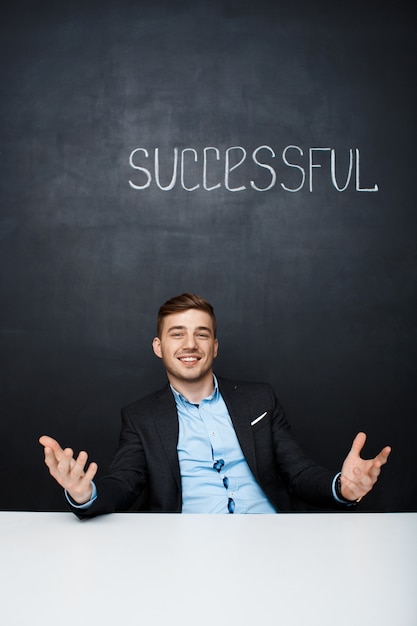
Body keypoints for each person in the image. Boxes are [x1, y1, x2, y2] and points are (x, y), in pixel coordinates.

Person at [39, 293, 391, 516]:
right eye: (177, 333)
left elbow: (298, 473)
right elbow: (124, 484)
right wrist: (86, 494)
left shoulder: (259, 399)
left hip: (272, 544)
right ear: (158, 347)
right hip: (185, 552)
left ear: (215, 346)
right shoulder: (140, 417)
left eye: (201, 334)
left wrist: (342, 487)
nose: (190, 344)